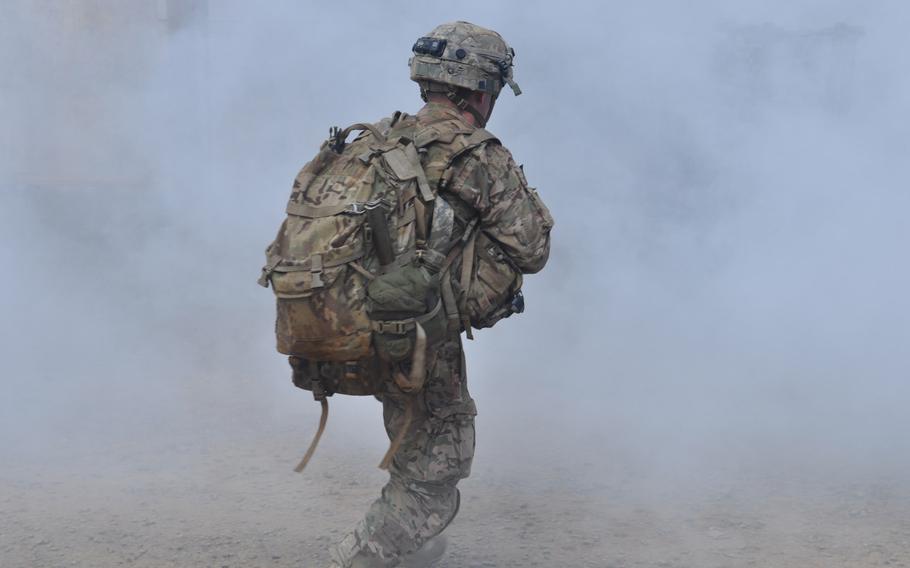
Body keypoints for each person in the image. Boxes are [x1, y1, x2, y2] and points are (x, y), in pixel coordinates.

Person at [323, 21, 553, 567]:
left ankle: (416, 550)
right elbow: (532, 247)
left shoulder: (374, 140)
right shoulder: (476, 154)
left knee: (415, 446)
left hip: (357, 320)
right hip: (421, 337)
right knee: (435, 474)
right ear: (480, 90)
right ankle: (357, 560)